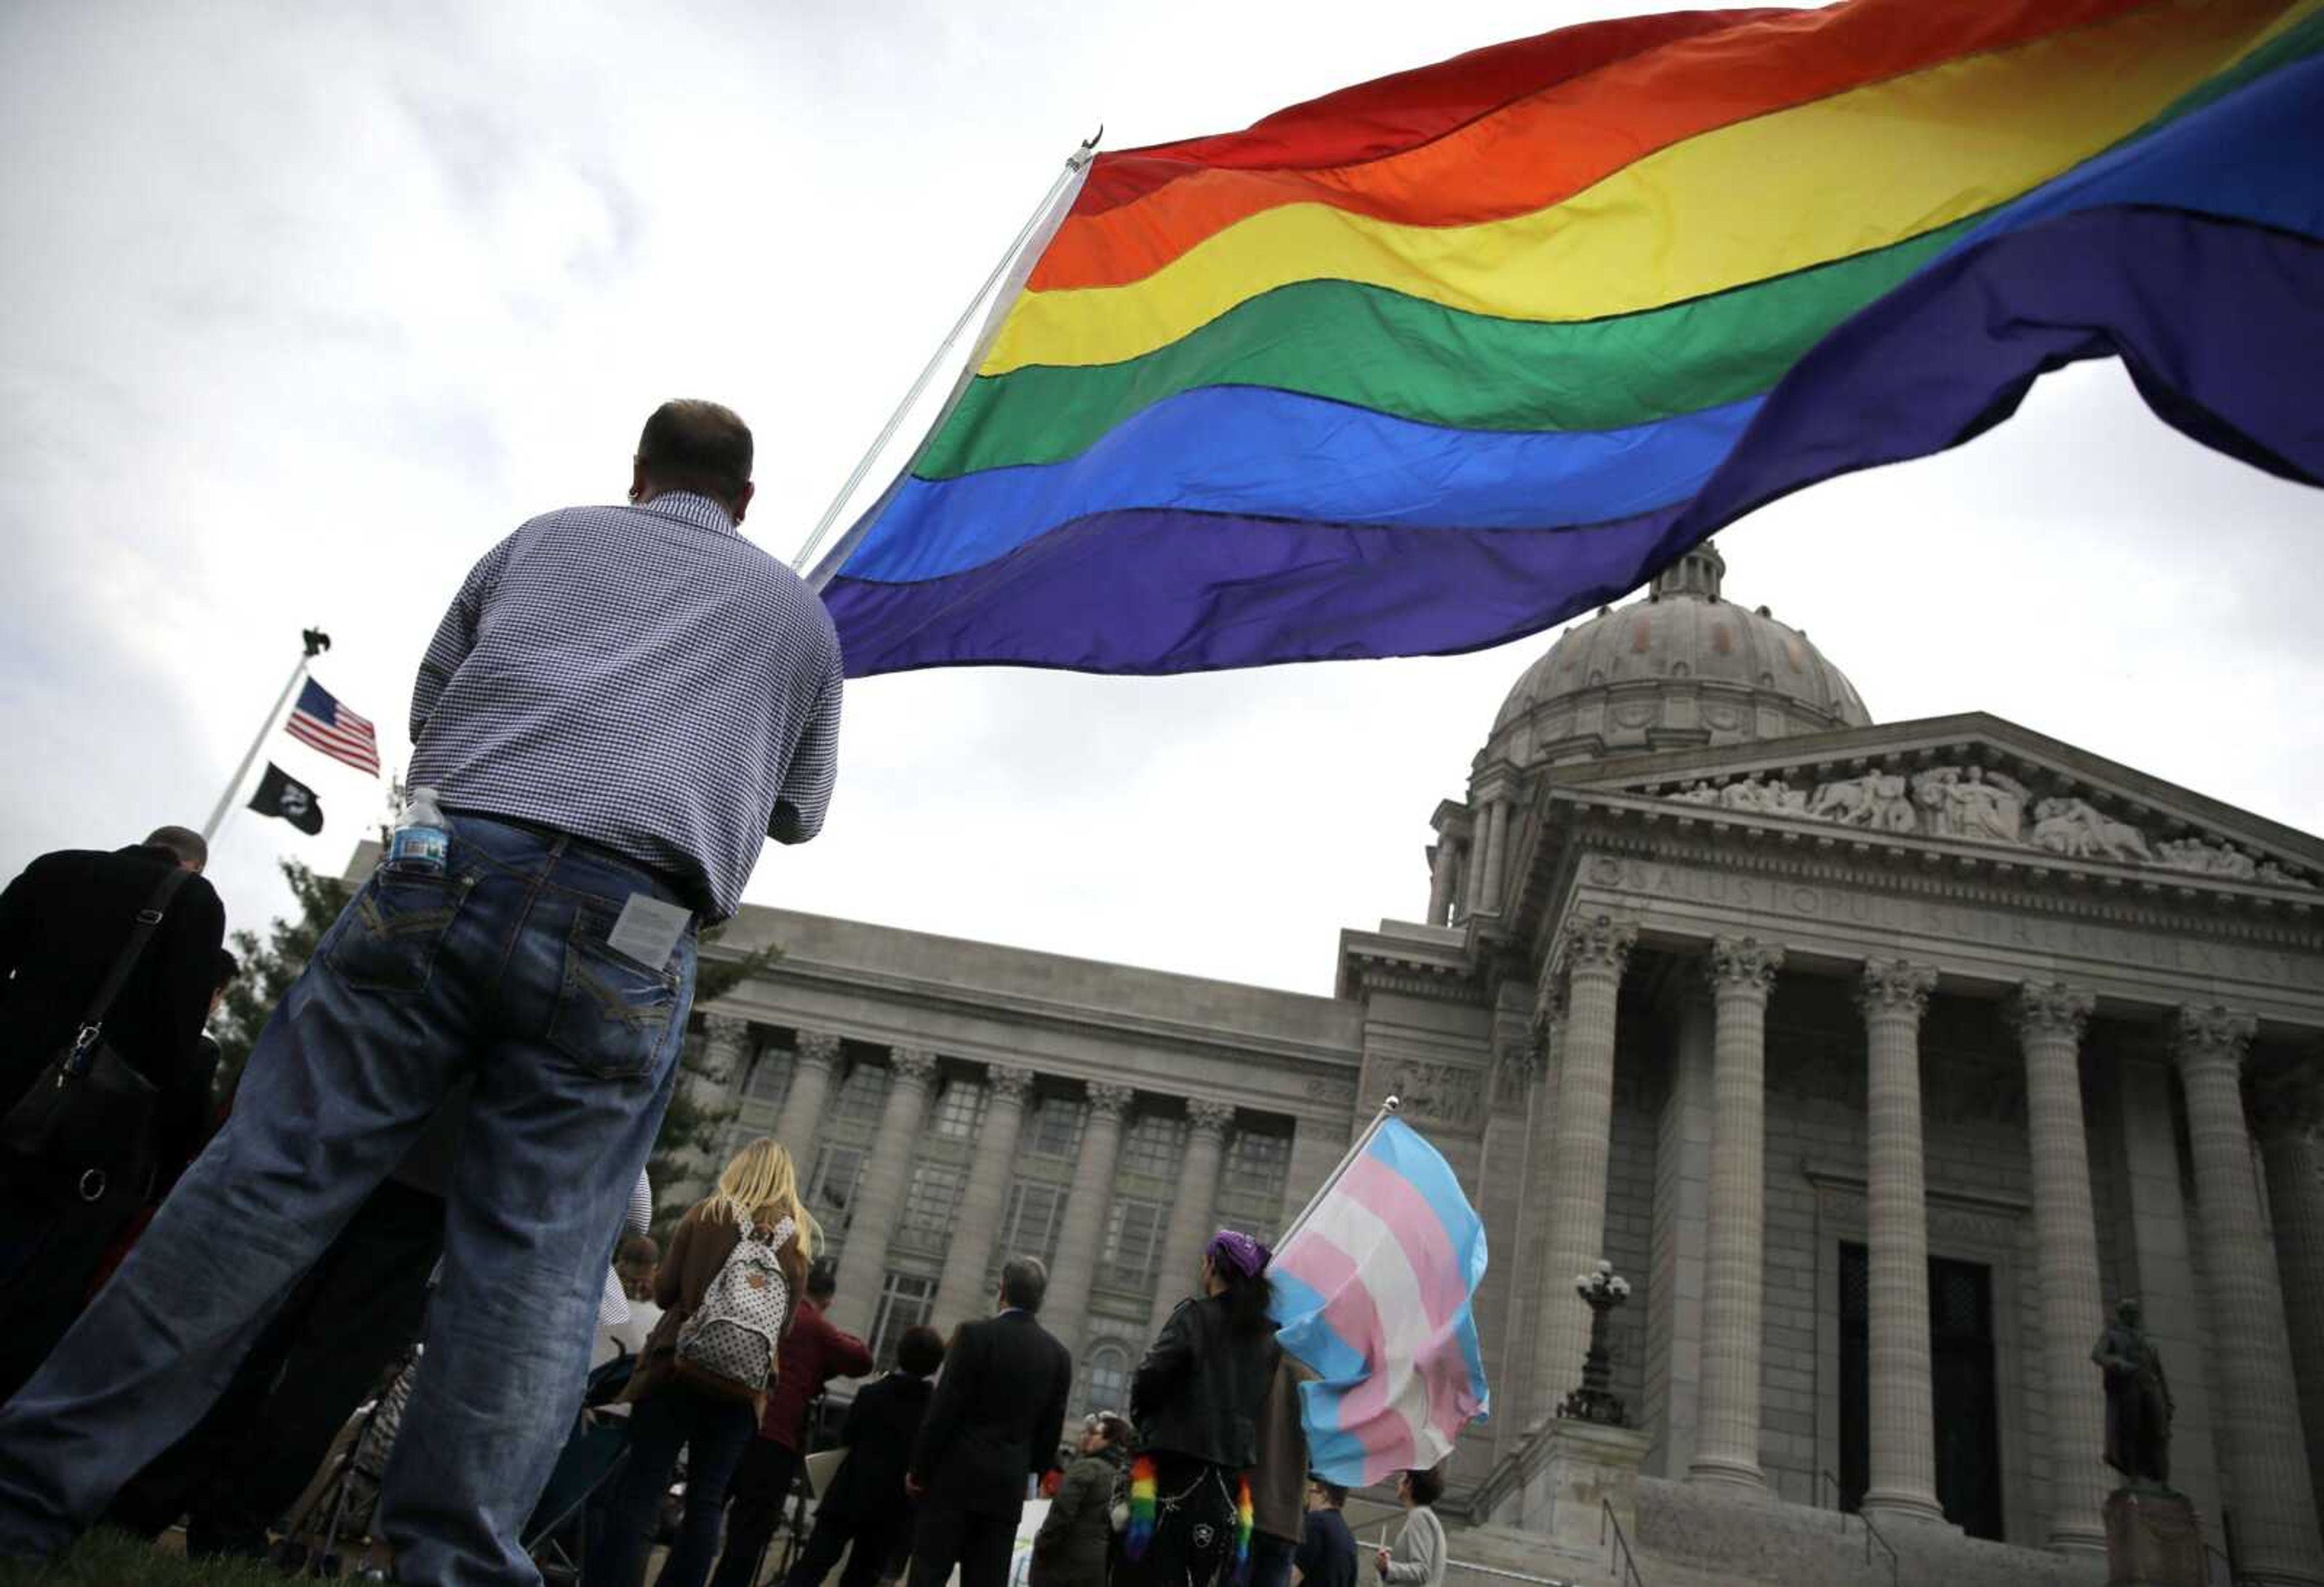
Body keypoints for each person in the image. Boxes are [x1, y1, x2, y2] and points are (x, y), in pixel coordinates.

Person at [0, 401, 844, 1587]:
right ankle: (452, 1566)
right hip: (634, 923)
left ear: (641, 473)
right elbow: (798, 811)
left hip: (450, 871)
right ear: (748, 502)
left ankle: (27, 1491)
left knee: (261, 1185)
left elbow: (433, 708)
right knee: (542, 1264)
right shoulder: (799, 619)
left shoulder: (544, 539)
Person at [0, 825, 227, 1404]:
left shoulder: (58, 866)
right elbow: (174, 1046)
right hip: (69, 1136)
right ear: (192, 866)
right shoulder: (192, 901)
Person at [591, 1138, 813, 1587]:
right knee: (708, 1499)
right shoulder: (797, 1242)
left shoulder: (708, 1213)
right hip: (742, 1388)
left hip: (677, 1368)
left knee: (644, 1486)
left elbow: (666, 1291)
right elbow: (783, 1328)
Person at [1114, 1231, 1282, 1587]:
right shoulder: (1269, 1341)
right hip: (1226, 1487)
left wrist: (1146, 1423)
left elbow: (1149, 1378)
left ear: (1212, 1267)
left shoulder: (1193, 1317)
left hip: (1173, 1477)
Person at [906, 1256, 1074, 1587]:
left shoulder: (974, 1335)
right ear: (1041, 1299)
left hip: (954, 1480)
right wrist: (1028, 1473)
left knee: (928, 1574)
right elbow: (1049, 1433)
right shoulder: (1058, 1356)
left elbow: (944, 1410)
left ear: (1003, 1290)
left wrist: (919, 1468)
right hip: (1005, 1489)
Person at [709, 1254, 875, 1587]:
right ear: (828, 1300)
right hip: (776, 1437)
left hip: (733, 1419)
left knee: (707, 1508)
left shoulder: (772, 1311)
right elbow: (862, 1360)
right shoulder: (816, 1326)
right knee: (750, 1532)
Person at [786, 1324, 947, 1587]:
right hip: (891, 1507)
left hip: (848, 1493)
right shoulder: (932, 1410)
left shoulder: (872, 1394)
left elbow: (847, 1436)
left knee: (813, 1565)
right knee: (862, 1576)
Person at [1029, 1412, 1132, 1587]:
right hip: (1098, 1570)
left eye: (1093, 1434)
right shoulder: (1125, 1477)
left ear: (1109, 1440)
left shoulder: (1086, 1468)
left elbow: (1061, 1514)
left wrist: (1042, 1545)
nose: (1085, 1436)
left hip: (1064, 1565)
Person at [1248, 1354, 1316, 1587]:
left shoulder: (1254, 1361)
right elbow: (1318, 1459)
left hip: (1248, 1510)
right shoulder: (1312, 1380)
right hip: (1287, 1522)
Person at [1371, 1468, 1445, 1587]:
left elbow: (1422, 1571)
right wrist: (1390, 1562)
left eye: (1403, 1477)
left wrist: (1388, 1568)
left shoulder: (1420, 1516)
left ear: (1409, 1484)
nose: (1398, 1482)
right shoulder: (1423, 1516)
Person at [1293, 1479, 1357, 1587]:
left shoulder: (1315, 1521)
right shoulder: (1349, 1537)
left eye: (1312, 1491)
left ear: (1324, 1495)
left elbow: (1294, 1575)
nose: (1309, 1496)